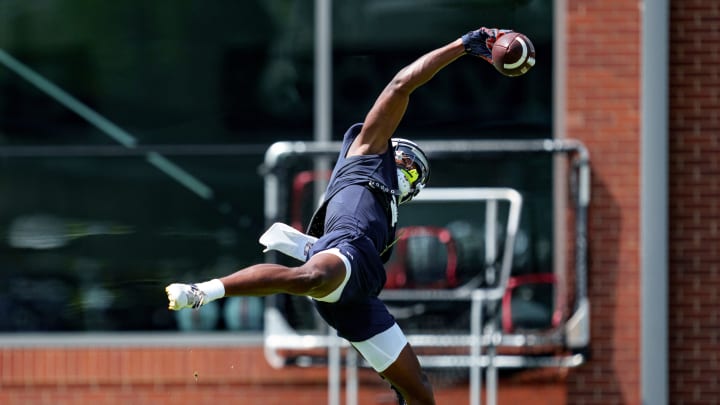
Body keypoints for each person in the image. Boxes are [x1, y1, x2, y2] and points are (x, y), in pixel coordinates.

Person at [166, 26, 513, 405]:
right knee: (313, 275)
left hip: (360, 297)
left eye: (416, 173)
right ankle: (205, 291)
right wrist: (462, 47)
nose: (408, 171)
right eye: (407, 161)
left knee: (420, 392)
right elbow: (400, 86)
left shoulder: (389, 218)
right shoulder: (365, 155)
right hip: (339, 261)